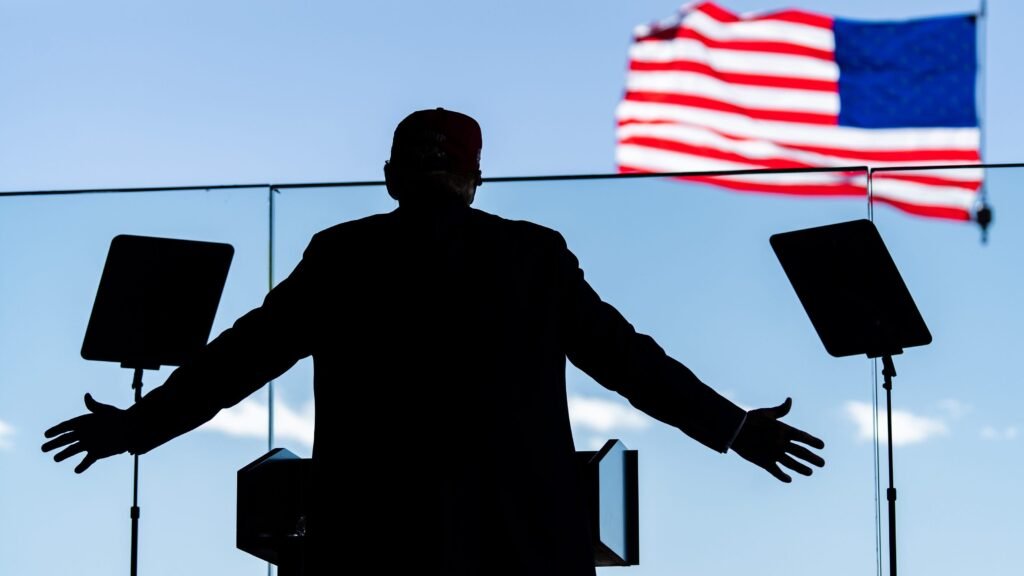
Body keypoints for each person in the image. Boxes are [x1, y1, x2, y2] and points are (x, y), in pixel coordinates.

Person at [43, 108, 825, 575]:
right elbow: (631, 363)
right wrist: (736, 429)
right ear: (475, 180)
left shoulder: (342, 256)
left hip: (372, 546)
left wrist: (135, 428)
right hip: (522, 547)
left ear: (390, 177)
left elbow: (236, 362)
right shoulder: (533, 257)